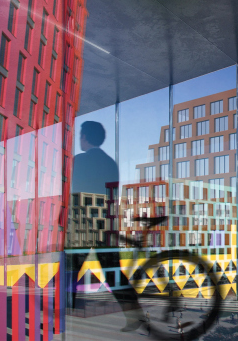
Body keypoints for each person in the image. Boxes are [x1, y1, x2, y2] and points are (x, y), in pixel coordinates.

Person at [69, 122, 143, 332]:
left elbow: (74, 193)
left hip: (83, 225)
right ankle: (134, 314)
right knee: (113, 273)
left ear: (84, 137)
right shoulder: (111, 163)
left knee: (70, 270)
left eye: (80, 136)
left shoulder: (79, 161)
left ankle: (65, 315)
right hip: (107, 224)